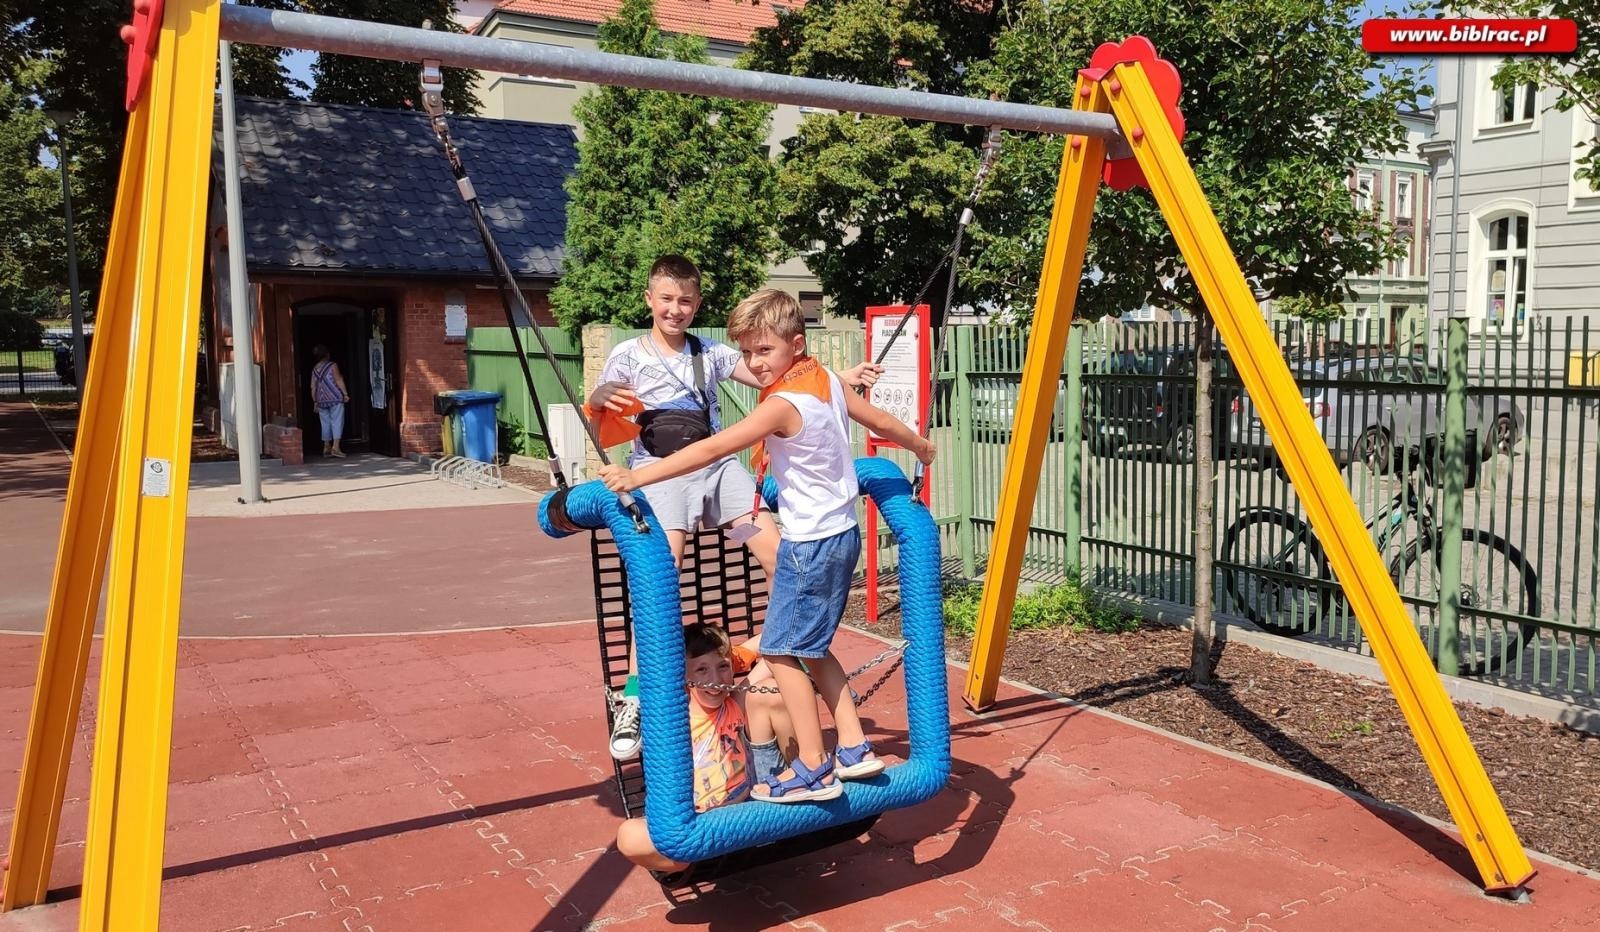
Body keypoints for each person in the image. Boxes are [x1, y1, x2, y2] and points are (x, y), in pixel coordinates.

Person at [602, 288, 935, 803]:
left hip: (778, 525)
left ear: (795, 346)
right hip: (815, 528)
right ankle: (850, 744)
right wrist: (920, 446)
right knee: (800, 641)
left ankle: (812, 765)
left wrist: (631, 477)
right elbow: (880, 422)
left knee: (781, 647)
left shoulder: (763, 392)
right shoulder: (818, 376)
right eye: (749, 352)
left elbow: (712, 447)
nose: (754, 363)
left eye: (765, 352)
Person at [616, 623, 791, 872]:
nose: (716, 680)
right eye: (701, 670)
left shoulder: (736, 703)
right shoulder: (671, 717)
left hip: (744, 810)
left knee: (771, 685)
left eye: (723, 667)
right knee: (628, 835)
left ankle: (801, 775)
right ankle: (689, 859)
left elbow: (773, 642)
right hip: (694, 822)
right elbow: (642, 640)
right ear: (683, 676)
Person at [310, 344, 350, 459]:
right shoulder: (332, 365)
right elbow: (338, 379)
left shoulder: (315, 369)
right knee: (337, 421)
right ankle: (336, 447)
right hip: (335, 398)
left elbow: (313, 387)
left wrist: (315, 401)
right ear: (327, 354)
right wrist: (345, 394)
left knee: (325, 423)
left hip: (321, 400)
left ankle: (326, 446)